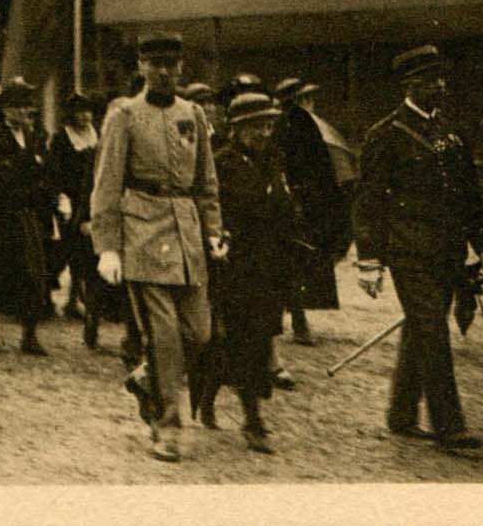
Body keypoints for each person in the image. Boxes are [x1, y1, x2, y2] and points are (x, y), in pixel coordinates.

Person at [354, 45, 483, 451]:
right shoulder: (385, 135)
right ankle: (448, 427)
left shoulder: (450, 132)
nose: (440, 85)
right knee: (433, 331)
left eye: (441, 78)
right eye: (430, 79)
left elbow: (469, 195)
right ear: (409, 85)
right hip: (408, 252)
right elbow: (368, 201)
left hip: (447, 251)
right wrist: (369, 260)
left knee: (424, 328)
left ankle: (401, 414)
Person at [91, 31, 225, 463]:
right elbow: (107, 184)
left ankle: (148, 377)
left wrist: (213, 230)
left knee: (199, 333)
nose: (164, 71)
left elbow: (206, 182)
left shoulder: (193, 114)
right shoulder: (124, 115)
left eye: (171, 63)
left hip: (187, 236)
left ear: (181, 67)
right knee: (165, 337)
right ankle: (167, 428)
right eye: (155, 63)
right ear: (141, 67)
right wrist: (107, 247)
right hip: (144, 233)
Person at [192, 92, 304, 454]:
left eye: (269, 124)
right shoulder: (221, 164)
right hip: (235, 266)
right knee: (247, 344)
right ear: (237, 128)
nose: (264, 132)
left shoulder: (274, 161)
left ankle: (208, 396)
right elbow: (213, 213)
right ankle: (253, 420)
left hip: (270, 267)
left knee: (244, 342)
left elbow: (285, 207)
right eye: (256, 125)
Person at [0, 78, 53, 355]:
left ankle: (29, 334)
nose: (25, 111)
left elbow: (43, 173)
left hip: (27, 214)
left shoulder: (34, 138)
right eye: (19, 106)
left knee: (33, 274)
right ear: (6, 110)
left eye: (28, 106)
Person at [274, 77, 344, 346]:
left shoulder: (308, 126)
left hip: (309, 204)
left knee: (300, 261)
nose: (311, 103)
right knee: (294, 261)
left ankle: (295, 316)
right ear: (298, 101)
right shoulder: (290, 126)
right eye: (307, 98)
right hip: (296, 204)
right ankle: (298, 319)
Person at [48, 91, 103, 347]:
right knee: (67, 252)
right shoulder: (62, 139)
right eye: (80, 112)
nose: (85, 116)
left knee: (88, 257)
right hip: (70, 202)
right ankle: (60, 296)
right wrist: (61, 199)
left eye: (88, 111)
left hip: (93, 200)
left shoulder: (95, 136)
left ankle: (79, 301)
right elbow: (55, 171)